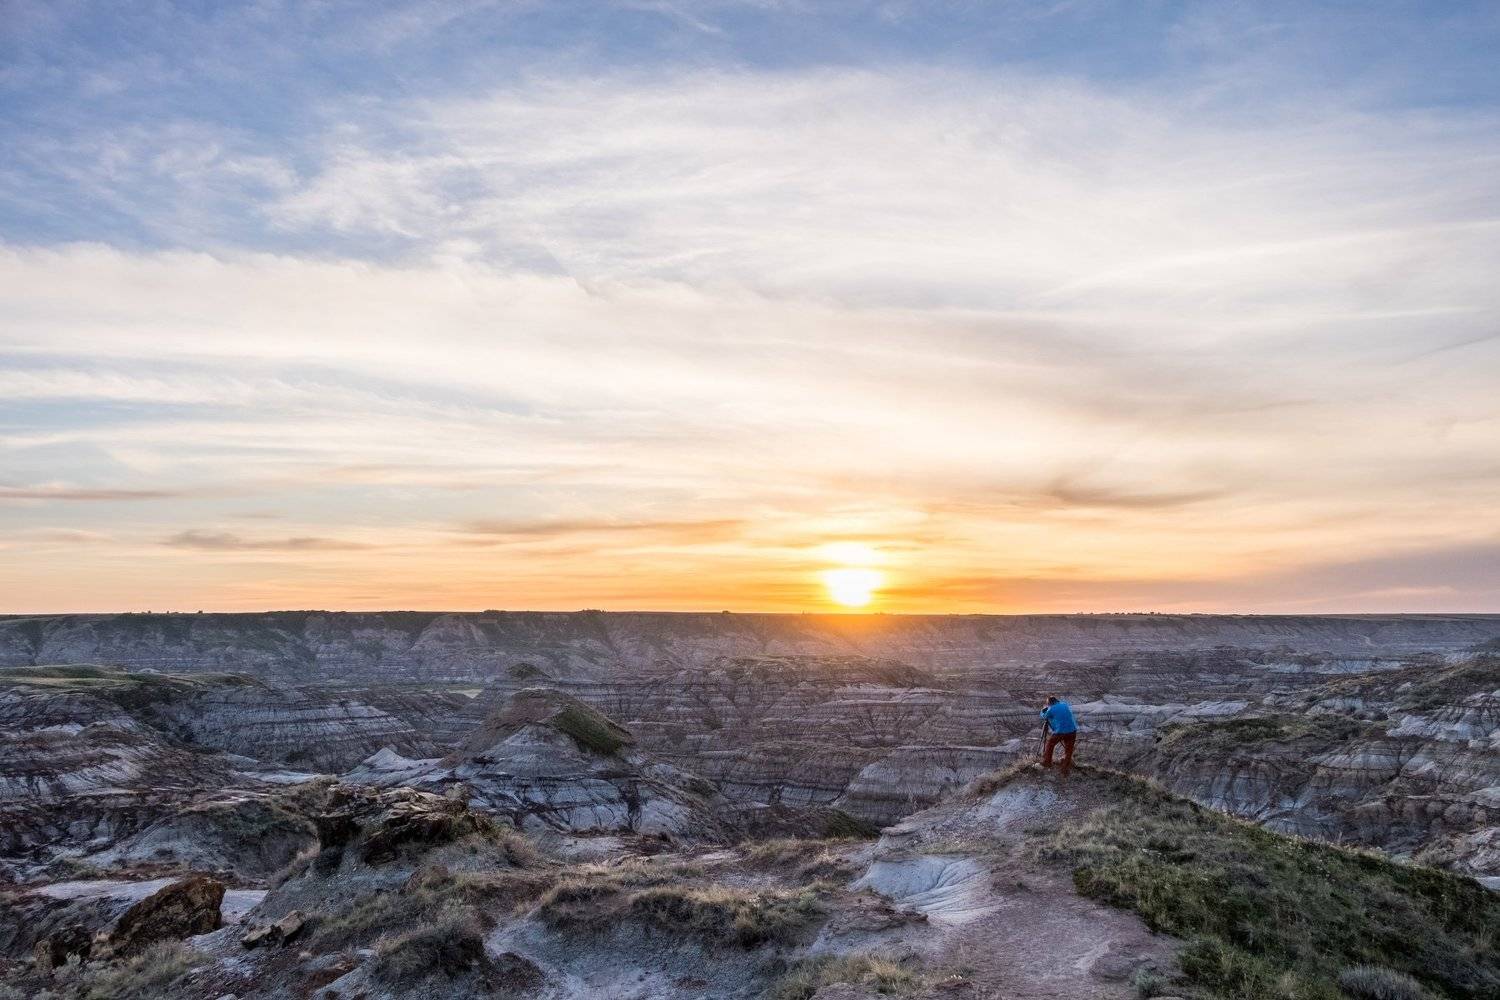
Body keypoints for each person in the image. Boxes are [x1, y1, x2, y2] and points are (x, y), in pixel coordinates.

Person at [1038, 695, 1078, 777]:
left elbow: (1043, 716)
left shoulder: (1051, 709)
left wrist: (1043, 710)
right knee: (1068, 750)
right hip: (1072, 731)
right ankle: (1065, 769)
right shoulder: (1064, 704)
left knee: (1050, 744)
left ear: (1049, 703)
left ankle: (1047, 762)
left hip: (1060, 731)